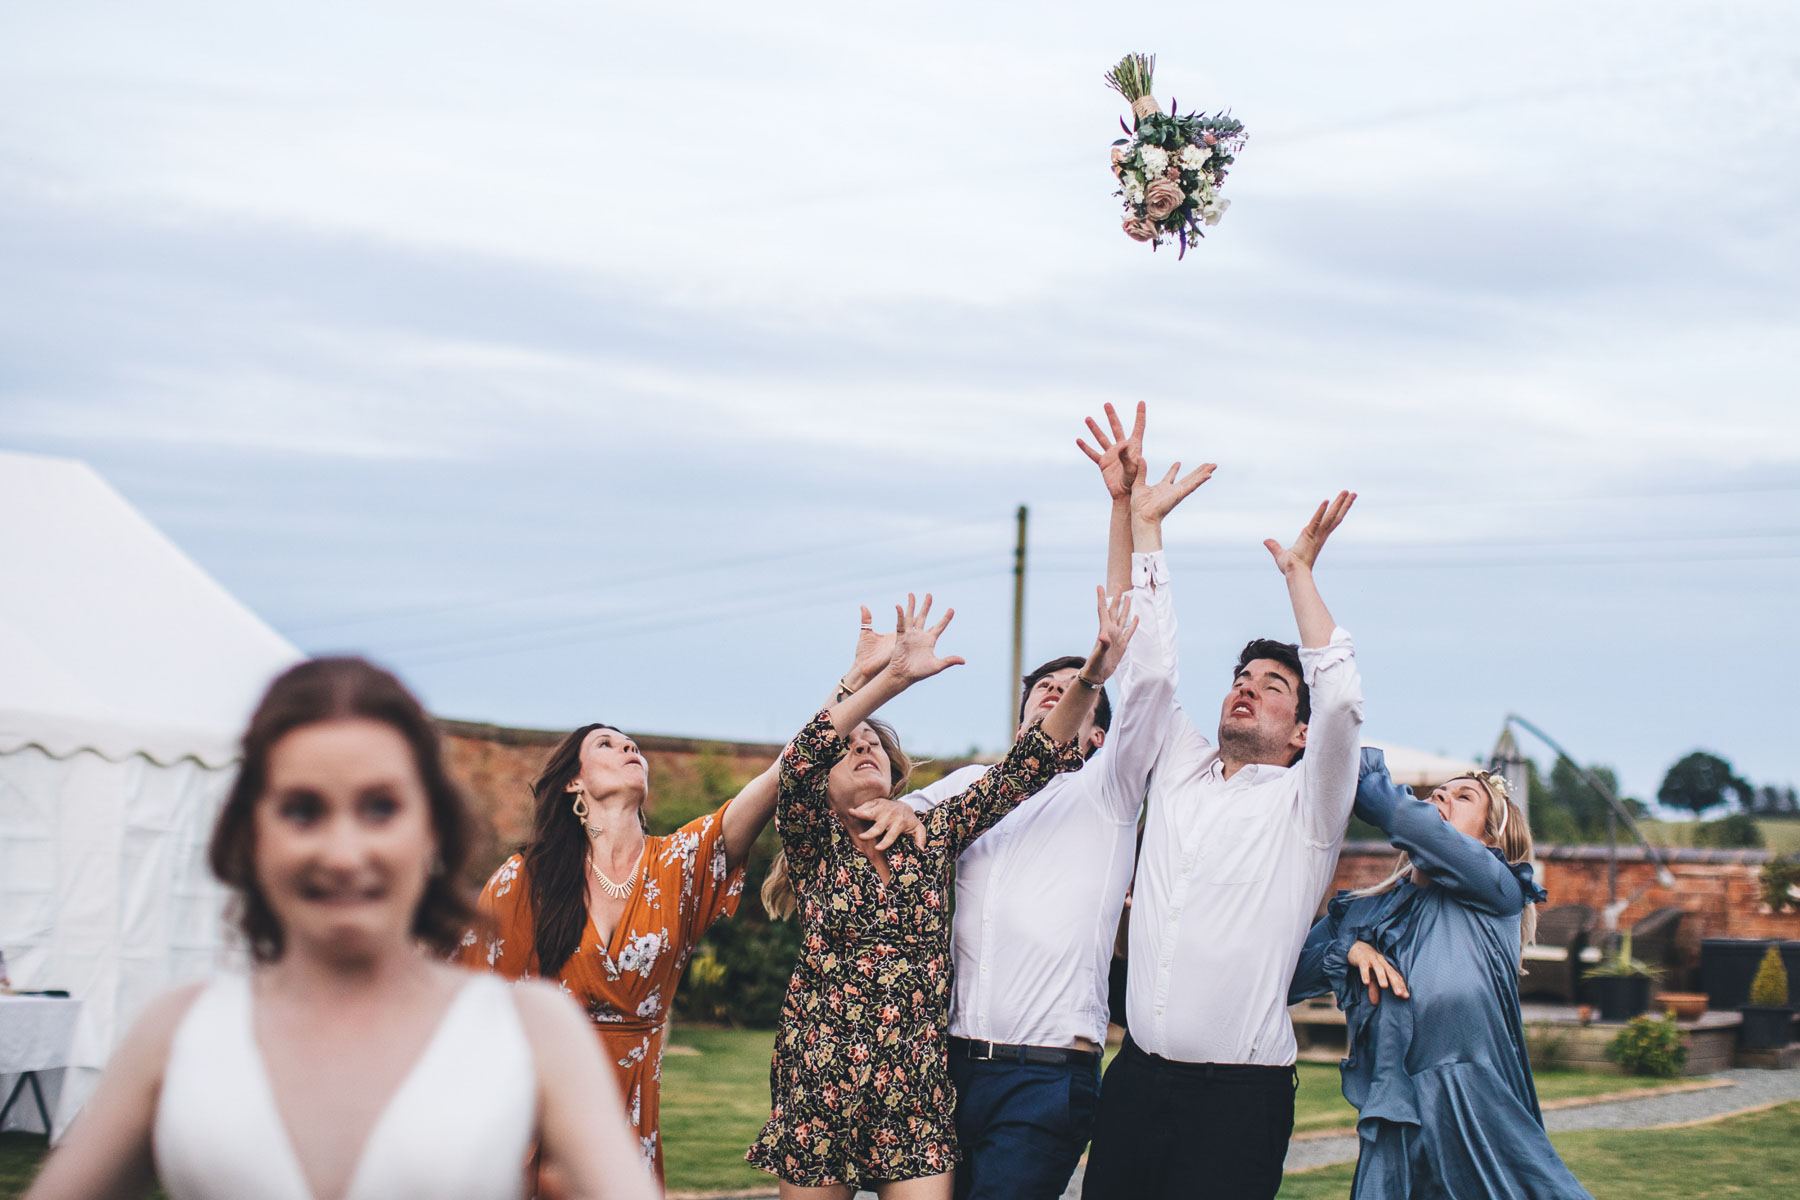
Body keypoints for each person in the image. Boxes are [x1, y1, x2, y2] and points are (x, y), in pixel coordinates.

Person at [25, 657, 652, 1200]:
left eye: (380, 807)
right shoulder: (178, 1033)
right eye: (303, 810)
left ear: (431, 828)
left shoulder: (534, 1031)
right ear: (251, 832)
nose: (344, 852)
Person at [884, 403, 1211, 1200]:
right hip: (940, 1062)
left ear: (1096, 731)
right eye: (1042, 688)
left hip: (1045, 1077)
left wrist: (1126, 516)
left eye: (1072, 693)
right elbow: (876, 823)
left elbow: (1146, 670)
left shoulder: (1107, 789)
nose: (1053, 696)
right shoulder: (965, 789)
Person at [746, 589, 1135, 1199]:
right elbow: (797, 762)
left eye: (874, 741)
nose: (865, 745)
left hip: (918, 1085)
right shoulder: (813, 843)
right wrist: (889, 677)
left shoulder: (931, 833)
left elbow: (1029, 766)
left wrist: (1090, 675)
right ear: (824, 783)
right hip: (821, 1073)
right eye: (850, 745)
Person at [464, 703, 918, 1180]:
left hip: (632, 1118)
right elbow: (475, 1008)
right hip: (538, 1111)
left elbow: (783, 769)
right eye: (606, 744)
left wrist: (875, 679)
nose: (628, 747)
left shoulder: (677, 865)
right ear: (572, 783)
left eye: (631, 744)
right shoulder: (525, 880)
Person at [1082, 489, 1362, 1200]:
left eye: (1272, 686)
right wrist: (1144, 527)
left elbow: (1343, 702)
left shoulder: (1310, 806)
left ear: (1301, 732)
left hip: (1238, 1100)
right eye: (1241, 678)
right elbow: (1149, 669)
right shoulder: (1179, 767)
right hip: (1136, 1079)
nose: (1247, 689)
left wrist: (1299, 573)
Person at [1286, 750, 1591, 1199]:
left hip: (1477, 1119)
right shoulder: (1360, 914)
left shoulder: (1498, 891)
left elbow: (1402, 816)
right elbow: (1283, 980)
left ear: (1489, 843)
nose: (1438, 801)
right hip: (1396, 1125)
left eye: (1463, 797)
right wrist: (1344, 949)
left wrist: (1352, 758)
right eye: (1436, 794)